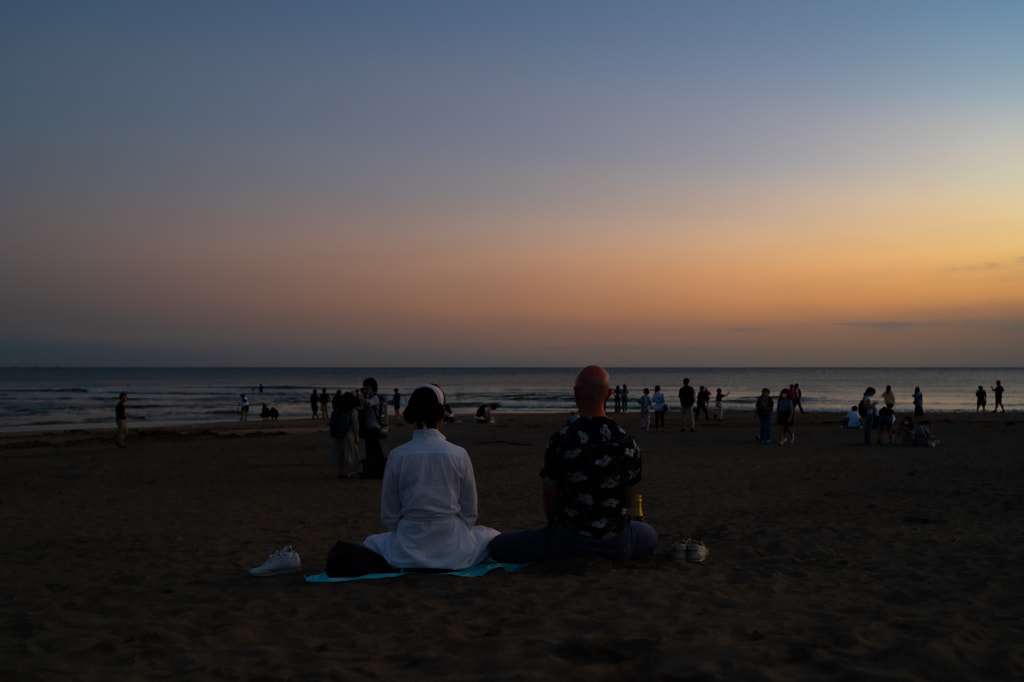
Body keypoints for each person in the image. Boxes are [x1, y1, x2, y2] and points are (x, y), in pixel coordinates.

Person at [488, 366, 657, 563]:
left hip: (567, 542)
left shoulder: (560, 440)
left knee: (497, 545)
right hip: (617, 543)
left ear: (575, 393)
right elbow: (628, 501)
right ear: (609, 394)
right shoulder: (628, 442)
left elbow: (550, 506)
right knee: (649, 534)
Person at [359, 384, 500, 570]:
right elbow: (469, 512)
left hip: (407, 544)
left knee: (371, 543)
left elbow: (390, 515)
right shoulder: (459, 454)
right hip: (453, 545)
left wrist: (414, 528)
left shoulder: (397, 455)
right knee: (492, 537)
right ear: (441, 415)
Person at [330, 391, 361, 479]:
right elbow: (355, 425)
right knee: (348, 453)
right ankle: (346, 472)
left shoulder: (338, 409)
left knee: (340, 453)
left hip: (339, 434)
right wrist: (357, 436)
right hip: (348, 434)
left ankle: (340, 471)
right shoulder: (351, 411)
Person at [359, 378, 386, 477]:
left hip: (374, 427)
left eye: (367, 386)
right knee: (368, 449)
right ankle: (370, 471)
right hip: (367, 427)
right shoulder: (366, 397)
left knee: (376, 449)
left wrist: (359, 397)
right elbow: (361, 407)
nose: (365, 388)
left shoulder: (375, 398)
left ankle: (382, 470)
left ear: (372, 387)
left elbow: (368, 403)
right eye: (364, 386)